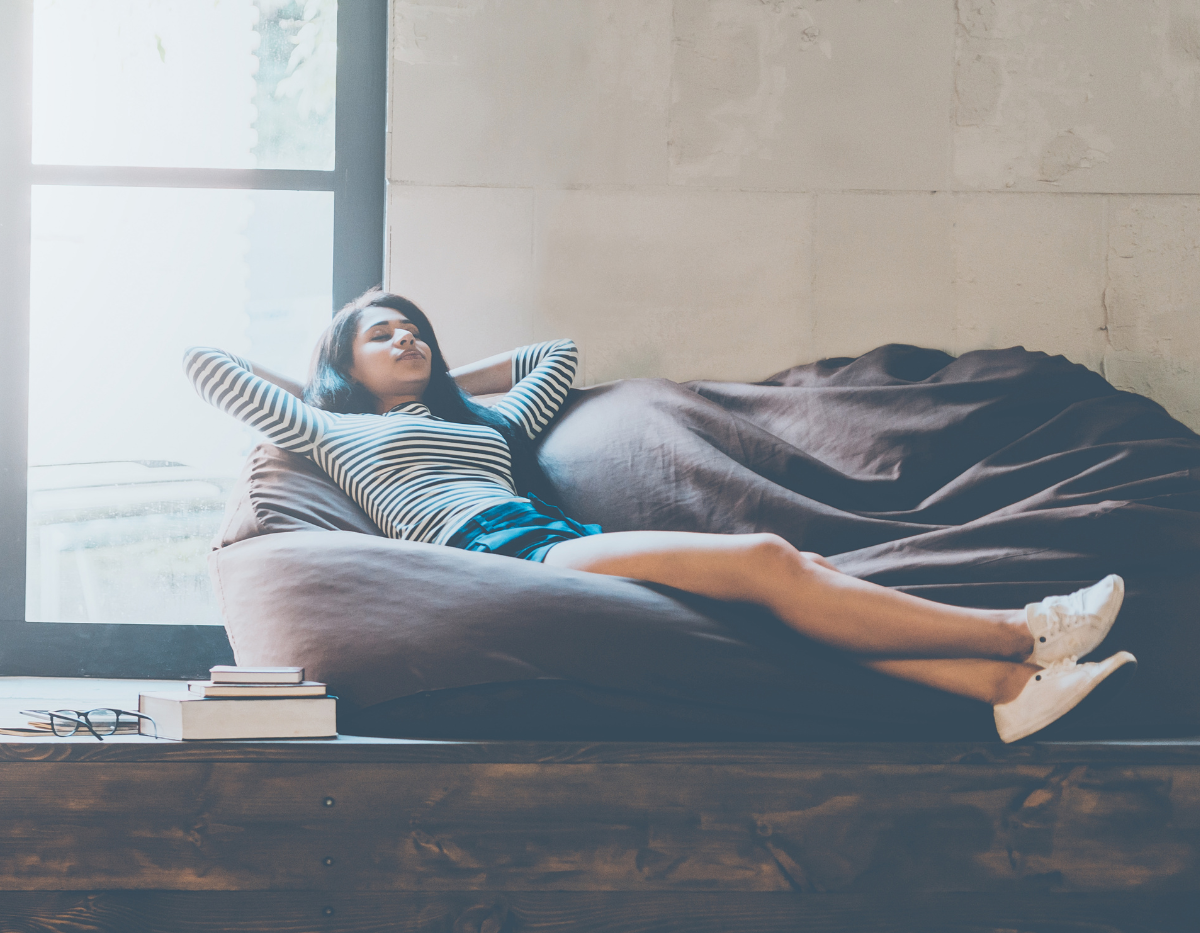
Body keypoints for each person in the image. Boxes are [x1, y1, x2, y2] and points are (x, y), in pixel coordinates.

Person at [185, 288, 1136, 743]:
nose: (410, 339)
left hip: (552, 544)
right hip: (495, 557)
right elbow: (207, 366)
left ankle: (1000, 695)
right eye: (382, 334)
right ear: (340, 365)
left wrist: (445, 382)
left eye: (419, 328)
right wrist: (329, 382)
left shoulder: (488, 426)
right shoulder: (334, 435)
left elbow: (551, 356)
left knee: (796, 595)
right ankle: (1026, 633)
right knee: (769, 559)